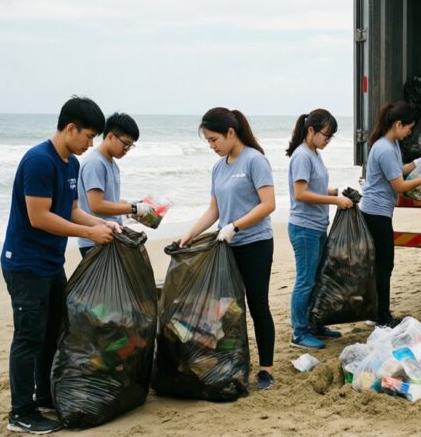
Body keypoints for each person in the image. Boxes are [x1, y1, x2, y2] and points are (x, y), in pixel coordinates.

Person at [0, 96, 120, 434]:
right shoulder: (39, 161)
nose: (91, 143)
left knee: (53, 332)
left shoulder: (72, 165)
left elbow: (70, 209)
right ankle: (20, 413)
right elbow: (39, 217)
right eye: (88, 136)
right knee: (29, 337)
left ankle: (43, 398)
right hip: (25, 264)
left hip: (51, 263)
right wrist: (88, 232)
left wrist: (102, 225)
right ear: (70, 128)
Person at [177, 108, 277, 391]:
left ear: (230, 133)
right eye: (208, 141)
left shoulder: (255, 161)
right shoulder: (219, 167)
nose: (212, 146)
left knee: (258, 305)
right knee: (225, 310)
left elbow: (268, 204)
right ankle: (229, 361)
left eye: (213, 140)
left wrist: (235, 226)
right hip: (226, 247)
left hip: (255, 244)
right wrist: (190, 233)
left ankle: (266, 369)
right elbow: (214, 210)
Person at [359, 101, 421, 327]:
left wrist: (418, 162)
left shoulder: (391, 144)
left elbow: (398, 171)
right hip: (375, 213)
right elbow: (399, 185)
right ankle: (382, 317)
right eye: (409, 128)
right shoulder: (384, 148)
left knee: (381, 264)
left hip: (380, 211)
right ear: (397, 124)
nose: (409, 133)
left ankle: (376, 312)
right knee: (385, 264)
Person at [285, 109, 355, 350]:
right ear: (311, 130)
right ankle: (299, 332)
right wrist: (335, 202)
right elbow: (301, 194)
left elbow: (312, 186)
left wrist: (333, 192)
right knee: (305, 281)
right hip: (304, 228)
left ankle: (314, 325)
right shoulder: (302, 156)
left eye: (332, 136)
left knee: (316, 279)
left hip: (315, 226)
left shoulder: (314, 153)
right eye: (326, 134)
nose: (328, 140)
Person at [77, 112, 153, 258]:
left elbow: (110, 200)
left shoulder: (111, 163)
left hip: (110, 236)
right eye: (126, 144)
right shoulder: (95, 163)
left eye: (131, 146)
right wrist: (134, 208)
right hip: (95, 241)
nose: (127, 150)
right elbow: (96, 205)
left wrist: (136, 207)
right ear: (111, 136)